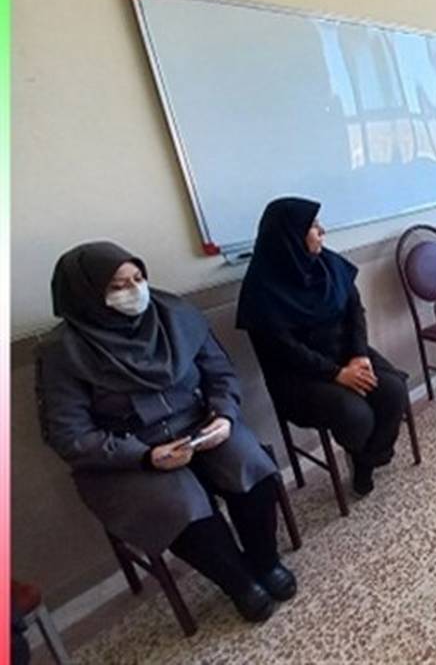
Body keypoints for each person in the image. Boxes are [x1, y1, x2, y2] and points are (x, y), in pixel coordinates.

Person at [37, 242, 294, 623]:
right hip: (130, 452)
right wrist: (145, 456)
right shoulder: (63, 351)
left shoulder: (176, 313)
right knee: (179, 504)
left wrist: (224, 415)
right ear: (87, 296)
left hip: (199, 425)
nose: (134, 291)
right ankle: (239, 583)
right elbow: (69, 435)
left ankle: (265, 561)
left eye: (138, 279)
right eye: (118, 286)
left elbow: (220, 373)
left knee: (250, 463)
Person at [237, 198, 418, 498]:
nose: (323, 231)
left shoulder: (329, 264)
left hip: (347, 354)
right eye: (313, 226)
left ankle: (366, 459)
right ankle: (364, 458)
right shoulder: (262, 288)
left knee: (393, 390)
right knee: (356, 415)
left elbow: (355, 312)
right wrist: (337, 374)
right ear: (291, 236)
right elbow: (285, 349)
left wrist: (359, 355)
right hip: (300, 376)